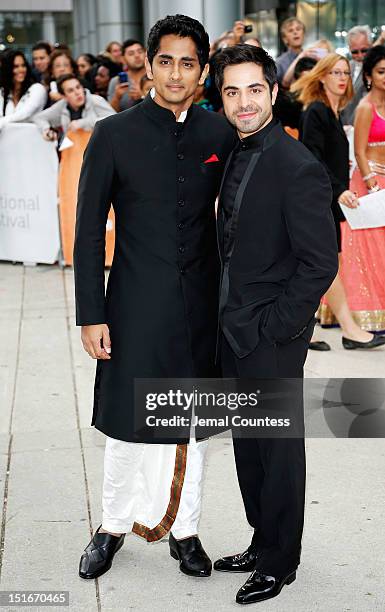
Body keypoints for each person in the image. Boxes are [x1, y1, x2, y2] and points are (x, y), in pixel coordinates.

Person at [73, 14, 236, 581]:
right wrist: (90, 313)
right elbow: (89, 230)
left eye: (187, 62)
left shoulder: (219, 134)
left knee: (191, 423)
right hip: (134, 303)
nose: (175, 72)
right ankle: (112, 527)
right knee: (126, 421)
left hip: (202, 306)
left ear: (203, 72)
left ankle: (186, 531)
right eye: (164, 59)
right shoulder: (113, 134)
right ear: (148, 63)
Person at [212, 44, 338, 605]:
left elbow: (320, 262)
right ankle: (262, 540)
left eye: (253, 90)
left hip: (271, 336)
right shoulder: (235, 151)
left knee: (280, 450)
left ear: (272, 91)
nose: (243, 102)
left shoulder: (297, 166)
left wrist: (278, 327)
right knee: (247, 445)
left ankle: (281, 562)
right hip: (233, 329)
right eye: (232, 91)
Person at [297, 53, 385, 349]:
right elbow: (312, 158)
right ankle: (349, 329)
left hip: (329, 200)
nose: (342, 78)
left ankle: (314, 330)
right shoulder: (317, 112)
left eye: (346, 73)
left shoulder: (332, 112)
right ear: (322, 76)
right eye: (335, 72)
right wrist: (338, 189)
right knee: (327, 265)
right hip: (320, 200)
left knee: (325, 265)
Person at [341, 45, 385, 333]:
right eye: (382, 72)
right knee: (371, 249)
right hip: (370, 182)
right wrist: (371, 182)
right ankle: (368, 315)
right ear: (368, 76)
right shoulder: (365, 107)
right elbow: (358, 151)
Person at [33, 74, 115, 139]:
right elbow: (38, 118)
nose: (77, 92)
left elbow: (114, 120)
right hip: (73, 152)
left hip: (101, 148)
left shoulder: (96, 100)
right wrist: (47, 130)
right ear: (64, 96)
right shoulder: (62, 105)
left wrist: (83, 123)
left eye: (78, 87)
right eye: (70, 90)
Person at [341, 25, 385, 126]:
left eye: (364, 50)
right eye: (355, 52)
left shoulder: (377, 69)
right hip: (344, 128)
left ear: (370, 46)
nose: (360, 55)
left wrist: (381, 40)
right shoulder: (346, 66)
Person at [0, 49, 47, 130]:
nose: (21, 70)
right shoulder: (3, 91)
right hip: (6, 140)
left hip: (32, 139)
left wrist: (2, 122)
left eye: (23, 65)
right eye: (16, 67)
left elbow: (25, 114)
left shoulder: (37, 89)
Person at [107, 39, 146, 111]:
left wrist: (143, 96)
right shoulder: (116, 81)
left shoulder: (155, 77)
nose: (137, 55)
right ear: (123, 59)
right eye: (131, 53)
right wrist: (117, 97)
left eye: (140, 52)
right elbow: (110, 113)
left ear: (145, 54)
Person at [276, 17, 315, 88]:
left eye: (298, 29)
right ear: (285, 39)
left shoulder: (312, 57)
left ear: (303, 35)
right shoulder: (279, 62)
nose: (295, 32)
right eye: (290, 30)